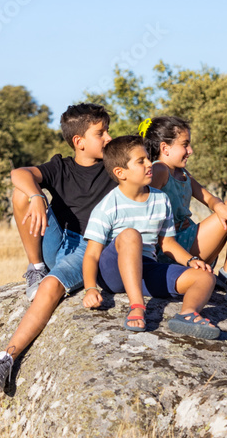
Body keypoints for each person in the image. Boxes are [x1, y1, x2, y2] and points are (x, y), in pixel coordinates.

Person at [0, 102, 116, 392]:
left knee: (52, 287)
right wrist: (36, 196)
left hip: (88, 249)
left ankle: (7, 358)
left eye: (107, 131)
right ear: (79, 142)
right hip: (58, 241)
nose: (108, 138)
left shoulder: (113, 168)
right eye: (101, 133)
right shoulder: (60, 166)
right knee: (22, 193)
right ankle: (36, 267)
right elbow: (18, 173)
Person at [82, 134, 219, 339]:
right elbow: (92, 254)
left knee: (206, 277)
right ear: (121, 172)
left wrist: (191, 260)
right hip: (114, 271)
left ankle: (188, 314)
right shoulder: (108, 205)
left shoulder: (160, 199)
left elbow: (168, 244)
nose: (149, 164)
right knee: (130, 235)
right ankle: (137, 306)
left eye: (148, 158)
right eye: (141, 161)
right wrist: (90, 288)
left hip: (146, 269)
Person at [143, 115, 227, 315]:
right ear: (165, 148)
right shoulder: (160, 169)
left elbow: (209, 198)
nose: (190, 151)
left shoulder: (182, 173)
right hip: (174, 252)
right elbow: (144, 205)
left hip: (191, 239)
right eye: (185, 145)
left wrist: (219, 207)